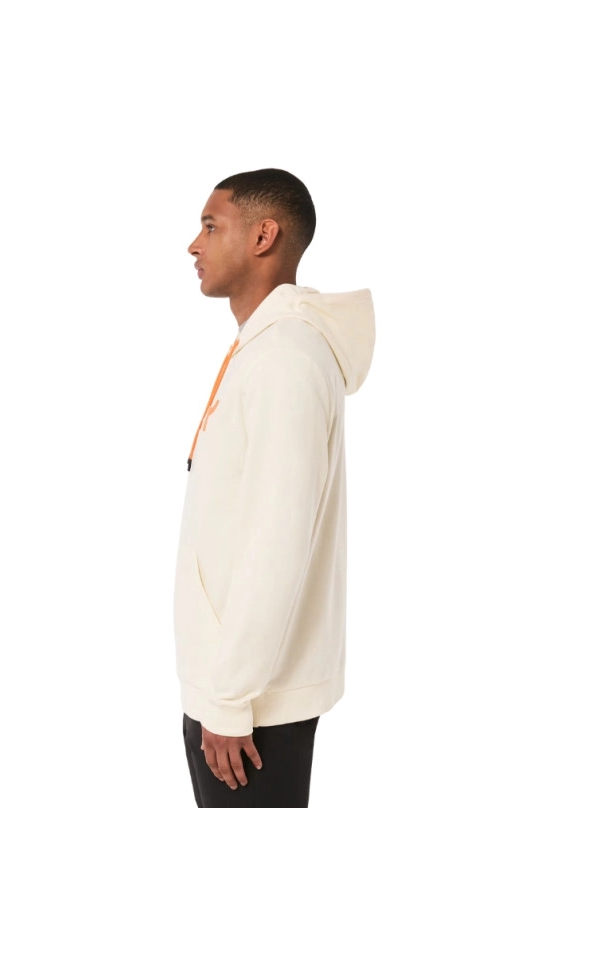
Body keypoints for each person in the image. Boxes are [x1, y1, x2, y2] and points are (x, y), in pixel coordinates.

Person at [174, 168, 375, 807]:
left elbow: (276, 543)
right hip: (232, 695)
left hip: (248, 713)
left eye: (211, 226)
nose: (194, 244)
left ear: (263, 236)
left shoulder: (285, 359)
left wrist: (229, 703)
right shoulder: (263, 349)